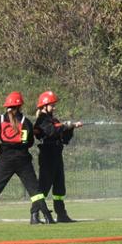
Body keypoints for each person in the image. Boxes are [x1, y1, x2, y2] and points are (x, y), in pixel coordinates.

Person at [0, 91, 55, 225]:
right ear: (20, 106)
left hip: (5, 160)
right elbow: (28, 142)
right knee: (34, 190)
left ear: (6, 106)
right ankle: (48, 218)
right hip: (22, 160)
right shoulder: (25, 122)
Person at [32, 90, 85, 223]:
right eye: (52, 105)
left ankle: (61, 214)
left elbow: (64, 138)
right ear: (44, 106)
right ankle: (35, 214)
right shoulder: (41, 120)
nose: (54, 107)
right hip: (47, 154)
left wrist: (71, 128)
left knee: (59, 187)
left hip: (57, 153)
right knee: (44, 186)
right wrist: (65, 126)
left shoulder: (53, 119)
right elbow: (51, 131)